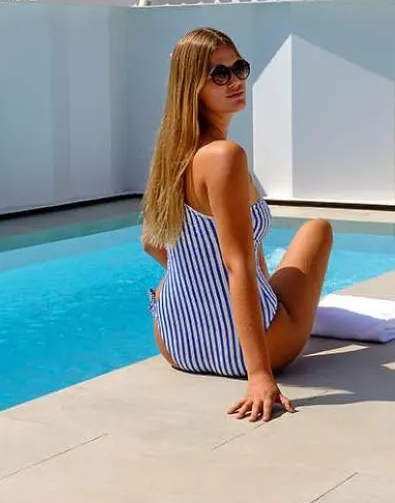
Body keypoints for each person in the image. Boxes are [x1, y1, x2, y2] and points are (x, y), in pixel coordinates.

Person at [141, 27, 334, 422]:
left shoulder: (171, 154)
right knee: (318, 230)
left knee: (255, 255)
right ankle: (256, 352)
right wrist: (260, 374)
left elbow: (153, 243)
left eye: (239, 68)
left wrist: (186, 286)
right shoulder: (225, 156)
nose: (235, 81)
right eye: (219, 74)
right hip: (246, 350)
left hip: (177, 341)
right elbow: (237, 265)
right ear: (192, 85)